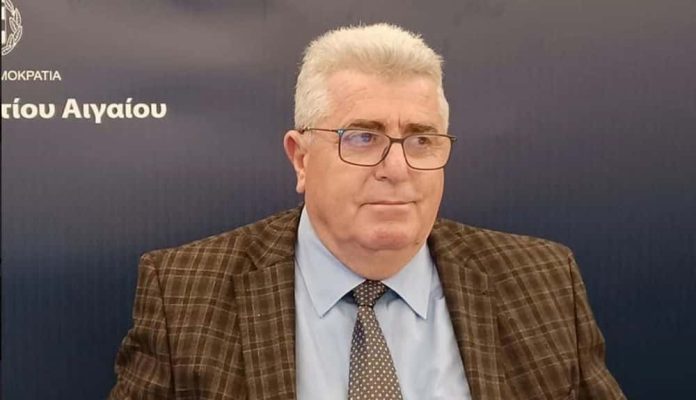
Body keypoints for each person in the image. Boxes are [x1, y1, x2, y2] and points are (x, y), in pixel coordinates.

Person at [109, 23, 625, 399]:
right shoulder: (185, 295)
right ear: (301, 158)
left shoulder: (542, 282)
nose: (397, 169)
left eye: (421, 140)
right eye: (362, 137)